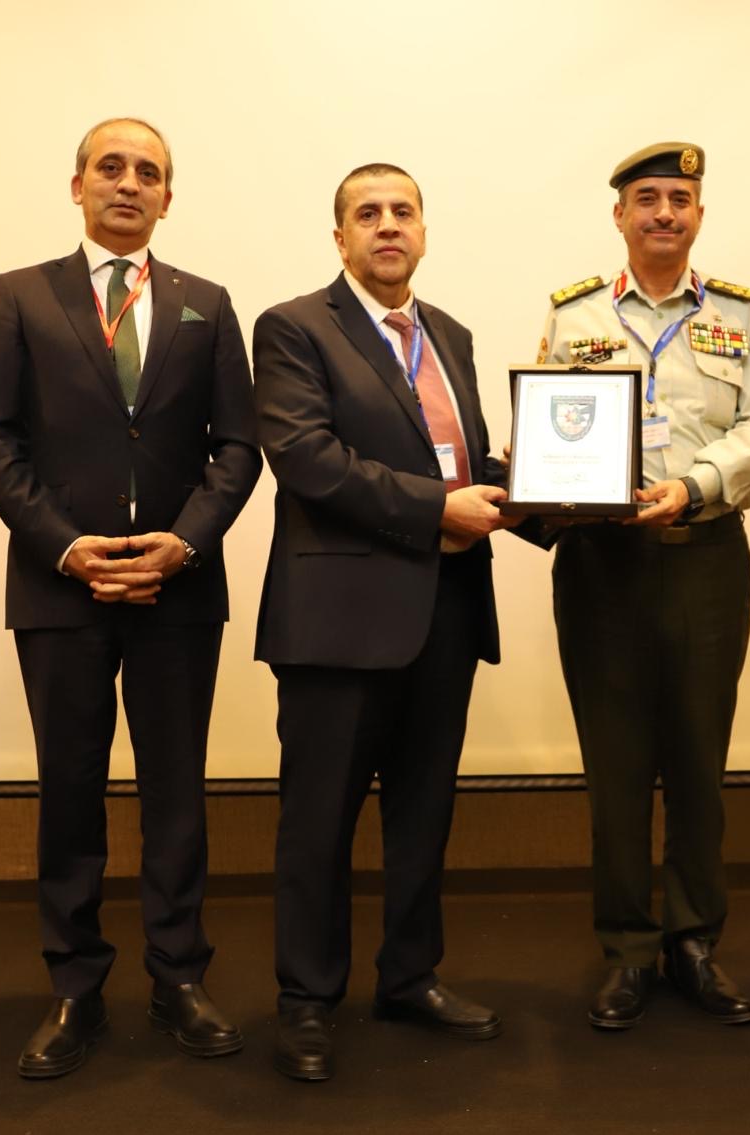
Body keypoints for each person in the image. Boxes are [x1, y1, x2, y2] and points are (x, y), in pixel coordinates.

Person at [0, 117, 261, 1077]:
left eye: (148, 172)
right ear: (78, 185)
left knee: (176, 791)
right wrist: (64, 545)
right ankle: (75, 985)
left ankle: (179, 975)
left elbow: (237, 446)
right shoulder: (21, 294)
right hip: (62, 588)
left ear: (168, 196)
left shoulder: (207, 303)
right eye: (110, 167)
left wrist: (185, 542)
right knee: (70, 791)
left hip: (177, 587)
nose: (128, 183)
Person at [253, 163, 512, 1082]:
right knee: (317, 821)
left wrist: (557, 491)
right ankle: (306, 999)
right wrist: (440, 506)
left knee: (423, 810)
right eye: (368, 213)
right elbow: (307, 457)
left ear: (425, 231)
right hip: (339, 619)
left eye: (403, 211)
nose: (388, 225)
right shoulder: (294, 327)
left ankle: (409, 975)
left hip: (447, 608)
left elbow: (461, 459)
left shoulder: (451, 334)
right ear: (341, 238)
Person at [536, 143, 750, 1030]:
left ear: (699, 215)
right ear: (620, 216)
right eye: (646, 199)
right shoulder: (571, 314)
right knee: (614, 768)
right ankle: (627, 949)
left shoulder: (743, 314)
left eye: (679, 199)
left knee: (697, 760)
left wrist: (693, 486)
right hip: (602, 566)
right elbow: (553, 430)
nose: (663, 213)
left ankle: (694, 940)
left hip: (705, 558)